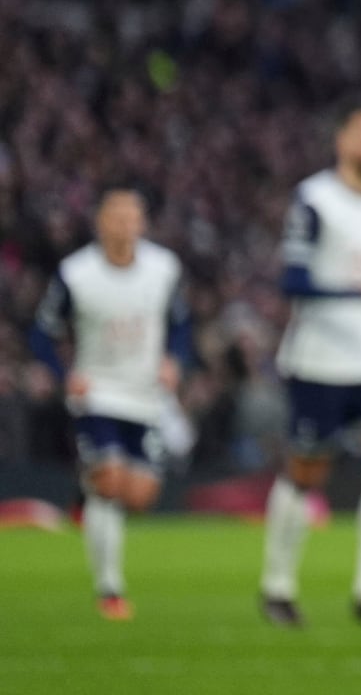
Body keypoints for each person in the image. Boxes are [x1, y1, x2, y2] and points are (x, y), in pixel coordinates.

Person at [259, 106, 361, 628]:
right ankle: (277, 585)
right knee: (307, 471)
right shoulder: (314, 200)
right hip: (319, 355)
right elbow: (293, 282)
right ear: (342, 139)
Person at [32, 188, 190, 620]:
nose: (124, 225)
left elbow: (179, 323)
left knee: (139, 497)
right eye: (116, 217)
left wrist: (174, 360)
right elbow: (42, 333)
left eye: (131, 217)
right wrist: (68, 377)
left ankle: (86, 495)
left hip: (145, 394)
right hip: (98, 392)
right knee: (110, 482)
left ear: (142, 223)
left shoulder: (163, 268)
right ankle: (110, 588)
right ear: (100, 222)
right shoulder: (76, 273)